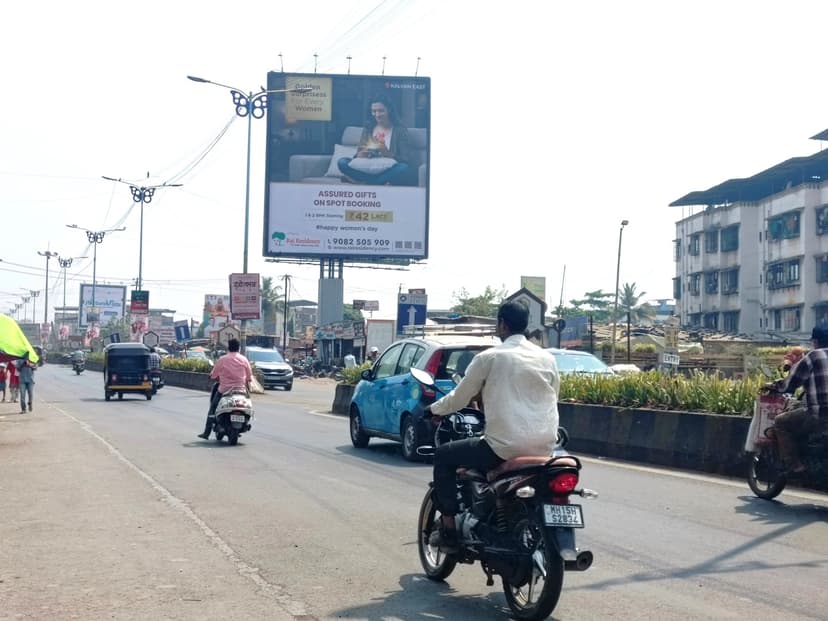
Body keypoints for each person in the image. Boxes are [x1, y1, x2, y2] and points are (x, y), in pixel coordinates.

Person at [425, 301, 560, 552]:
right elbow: (552, 396)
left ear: (502, 324)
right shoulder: (547, 358)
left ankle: (449, 531)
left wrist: (433, 410)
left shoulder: (489, 357)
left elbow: (459, 398)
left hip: (503, 448)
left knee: (444, 455)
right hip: (545, 448)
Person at [770, 325, 828, 473]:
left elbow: (790, 384)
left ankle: (795, 466)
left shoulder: (813, 356)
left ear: (815, 341)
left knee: (780, 422)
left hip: (820, 414)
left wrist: (774, 386)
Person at [337, 96, 414, 186]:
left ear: (389, 110)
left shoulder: (400, 130)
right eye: (374, 111)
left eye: (381, 111)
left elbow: (405, 160)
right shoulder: (368, 128)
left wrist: (386, 152)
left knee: (403, 168)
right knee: (342, 162)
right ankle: (377, 181)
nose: (377, 114)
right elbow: (357, 156)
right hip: (368, 167)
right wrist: (360, 155)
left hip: (388, 169)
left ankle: (367, 182)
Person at [198, 338, 252, 440]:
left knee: (212, 409)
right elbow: (249, 377)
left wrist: (212, 377)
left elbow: (214, 375)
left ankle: (206, 433)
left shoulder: (223, 359)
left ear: (229, 347)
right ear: (238, 348)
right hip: (241, 391)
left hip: (224, 390)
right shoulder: (244, 360)